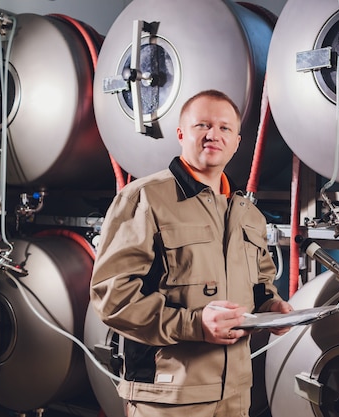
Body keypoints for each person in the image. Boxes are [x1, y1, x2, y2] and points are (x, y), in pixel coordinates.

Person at [90, 89, 293, 417]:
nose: (214, 134)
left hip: (236, 395)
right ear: (181, 134)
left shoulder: (248, 214)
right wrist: (195, 325)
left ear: (237, 141)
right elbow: (113, 299)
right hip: (168, 397)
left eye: (225, 128)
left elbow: (260, 284)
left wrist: (271, 307)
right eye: (203, 125)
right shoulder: (143, 200)